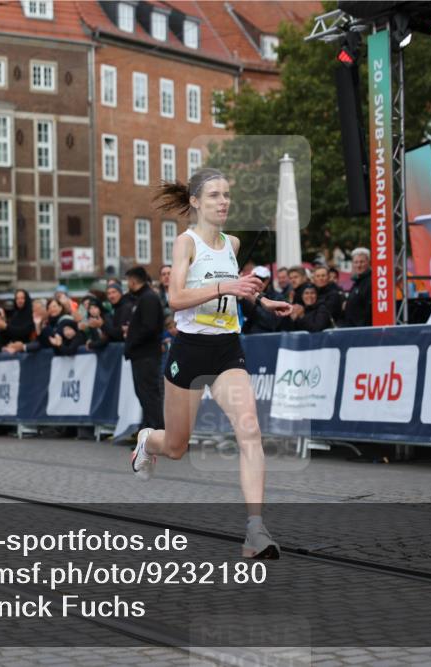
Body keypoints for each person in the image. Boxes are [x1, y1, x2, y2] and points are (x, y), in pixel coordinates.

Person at [131, 168, 293, 559]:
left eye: (227, 196)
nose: (224, 202)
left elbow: (232, 286)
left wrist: (260, 298)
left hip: (226, 350)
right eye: (216, 196)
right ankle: (145, 440)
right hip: (188, 351)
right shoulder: (185, 243)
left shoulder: (231, 243)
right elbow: (177, 297)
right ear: (196, 202)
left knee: (250, 430)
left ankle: (255, 530)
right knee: (175, 446)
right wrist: (226, 286)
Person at [123, 266, 166, 431]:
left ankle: (157, 431)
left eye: (128, 280)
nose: (127, 284)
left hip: (146, 355)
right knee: (144, 394)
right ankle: (148, 431)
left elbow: (149, 327)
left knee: (149, 395)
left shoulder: (148, 298)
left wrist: (132, 340)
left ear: (133, 281)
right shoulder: (143, 298)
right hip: (141, 355)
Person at [341, 247, 372, 327]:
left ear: (368, 262)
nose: (358, 265)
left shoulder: (371, 281)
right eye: (356, 262)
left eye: (362, 262)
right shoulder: (356, 282)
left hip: (364, 331)